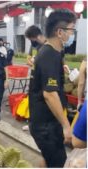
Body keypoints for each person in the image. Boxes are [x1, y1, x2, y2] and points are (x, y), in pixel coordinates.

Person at [28, 9, 77, 167]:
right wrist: (66, 126)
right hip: (45, 126)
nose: (72, 35)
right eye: (72, 30)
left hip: (45, 122)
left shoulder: (52, 52)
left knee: (48, 159)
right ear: (60, 32)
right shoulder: (49, 55)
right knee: (59, 163)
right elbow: (49, 94)